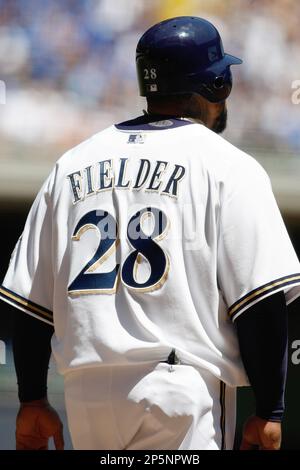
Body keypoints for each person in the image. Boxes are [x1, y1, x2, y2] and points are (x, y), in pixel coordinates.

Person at [1, 16, 300, 451]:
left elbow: (29, 302)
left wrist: (31, 398)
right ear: (219, 87)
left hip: (88, 393)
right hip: (178, 388)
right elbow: (260, 301)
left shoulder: (72, 164)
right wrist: (270, 411)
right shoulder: (229, 167)